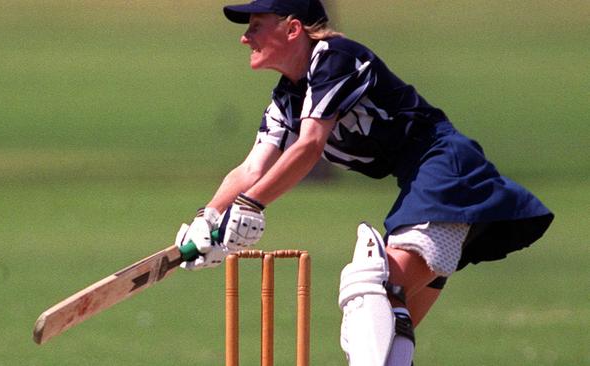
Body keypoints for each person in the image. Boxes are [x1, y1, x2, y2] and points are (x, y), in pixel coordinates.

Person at [173, 0, 554, 365]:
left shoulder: (334, 58)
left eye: (256, 26)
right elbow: (251, 169)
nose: (245, 37)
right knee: (385, 312)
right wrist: (208, 217)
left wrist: (250, 205)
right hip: (422, 179)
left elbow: (309, 145)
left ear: (293, 29)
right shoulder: (288, 97)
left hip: (444, 166)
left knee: (370, 286)